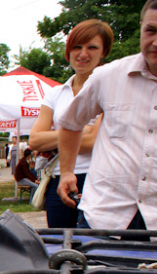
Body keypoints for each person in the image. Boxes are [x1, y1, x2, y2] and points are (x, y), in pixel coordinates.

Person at [58, 0, 157, 235]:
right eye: (151, 30)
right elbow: (71, 123)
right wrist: (66, 172)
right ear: (141, 27)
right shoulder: (108, 76)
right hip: (105, 217)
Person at [29, 19, 112, 228]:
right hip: (59, 179)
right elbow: (35, 140)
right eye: (77, 47)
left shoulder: (110, 90)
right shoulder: (55, 94)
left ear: (103, 52)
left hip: (98, 180)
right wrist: (77, 130)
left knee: (93, 251)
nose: (83, 54)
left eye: (92, 47)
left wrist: (60, 134)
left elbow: (91, 143)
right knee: (60, 248)